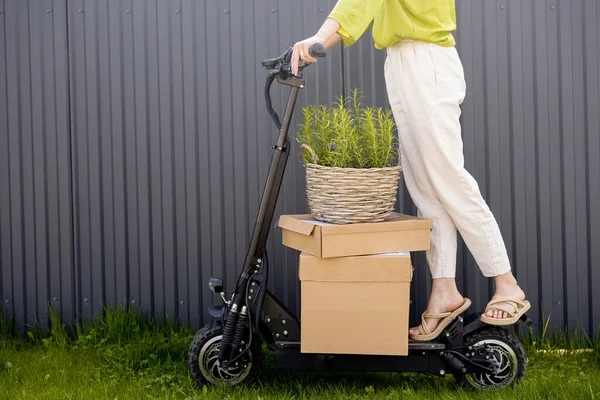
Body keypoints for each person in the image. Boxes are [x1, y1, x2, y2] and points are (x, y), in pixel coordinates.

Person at [290, 0, 530, 341]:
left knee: (448, 178)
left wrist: (320, 36)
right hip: (402, 60)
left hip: (426, 58)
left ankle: (507, 283)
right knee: (425, 189)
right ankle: (445, 290)